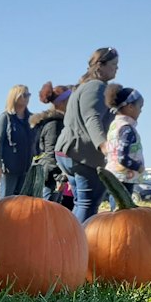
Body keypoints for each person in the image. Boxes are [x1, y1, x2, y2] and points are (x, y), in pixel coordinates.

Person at [55, 46, 120, 224]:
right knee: (87, 204)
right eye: (114, 64)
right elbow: (92, 117)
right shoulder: (97, 87)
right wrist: (103, 145)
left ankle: (71, 243)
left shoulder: (84, 87)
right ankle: (77, 246)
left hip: (69, 151)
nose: (117, 68)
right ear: (100, 66)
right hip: (83, 154)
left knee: (81, 202)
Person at [31, 81, 73, 200]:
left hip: (50, 174)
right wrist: (58, 176)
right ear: (63, 102)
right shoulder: (54, 124)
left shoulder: (56, 121)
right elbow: (51, 154)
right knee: (47, 208)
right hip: (49, 177)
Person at [103, 84, 145, 200]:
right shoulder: (126, 129)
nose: (140, 111)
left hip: (113, 176)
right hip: (123, 177)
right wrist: (138, 166)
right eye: (140, 107)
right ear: (130, 107)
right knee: (122, 210)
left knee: (115, 208)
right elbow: (122, 157)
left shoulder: (114, 126)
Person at [0, 85, 34, 198]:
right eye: (24, 95)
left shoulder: (32, 118)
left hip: (27, 167)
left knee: (23, 200)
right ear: (15, 97)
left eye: (28, 95)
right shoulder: (5, 118)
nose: (27, 98)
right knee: (6, 199)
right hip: (10, 168)